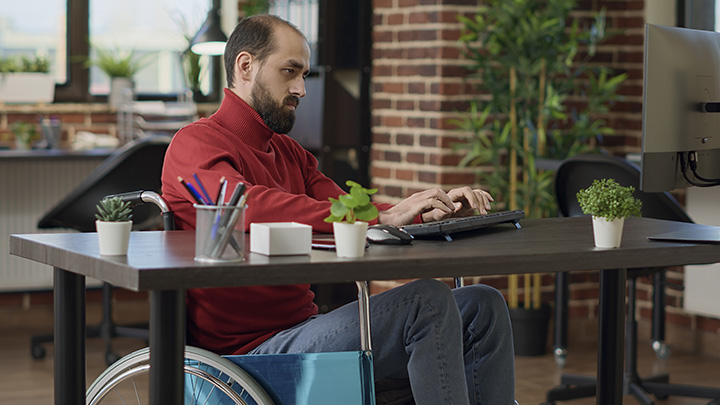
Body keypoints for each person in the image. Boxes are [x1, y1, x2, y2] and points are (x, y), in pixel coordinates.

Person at [161, 14, 515, 404]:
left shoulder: (288, 152)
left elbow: (345, 207)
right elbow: (249, 204)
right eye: (289, 71)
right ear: (246, 66)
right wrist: (378, 216)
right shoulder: (194, 144)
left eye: (303, 74)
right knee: (424, 302)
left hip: (305, 330)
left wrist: (422, 212)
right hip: (246, 358)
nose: (301, 88)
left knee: (483, 304)